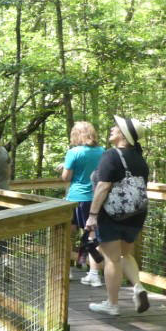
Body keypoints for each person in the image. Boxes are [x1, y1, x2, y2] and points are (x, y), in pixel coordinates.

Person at [85, 115, 150, 316]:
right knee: (125, 254)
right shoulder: (139, 159)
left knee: (112, 259)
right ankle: (138, 287)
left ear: (123, 134)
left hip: (111, 215)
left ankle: (112, 304)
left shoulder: (111, 155)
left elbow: (103, 186)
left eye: (116, 127)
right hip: (135, 214)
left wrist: (93, 215)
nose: (112, 129)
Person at [61, 121, 105, 286]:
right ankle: (94, 274)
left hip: (76, 198)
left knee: (67, 233)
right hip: (95, 198)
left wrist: (64, 169)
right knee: (93, 236)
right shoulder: (102, 151)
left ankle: (67, 270)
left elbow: (66, 177)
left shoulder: (73, 152)